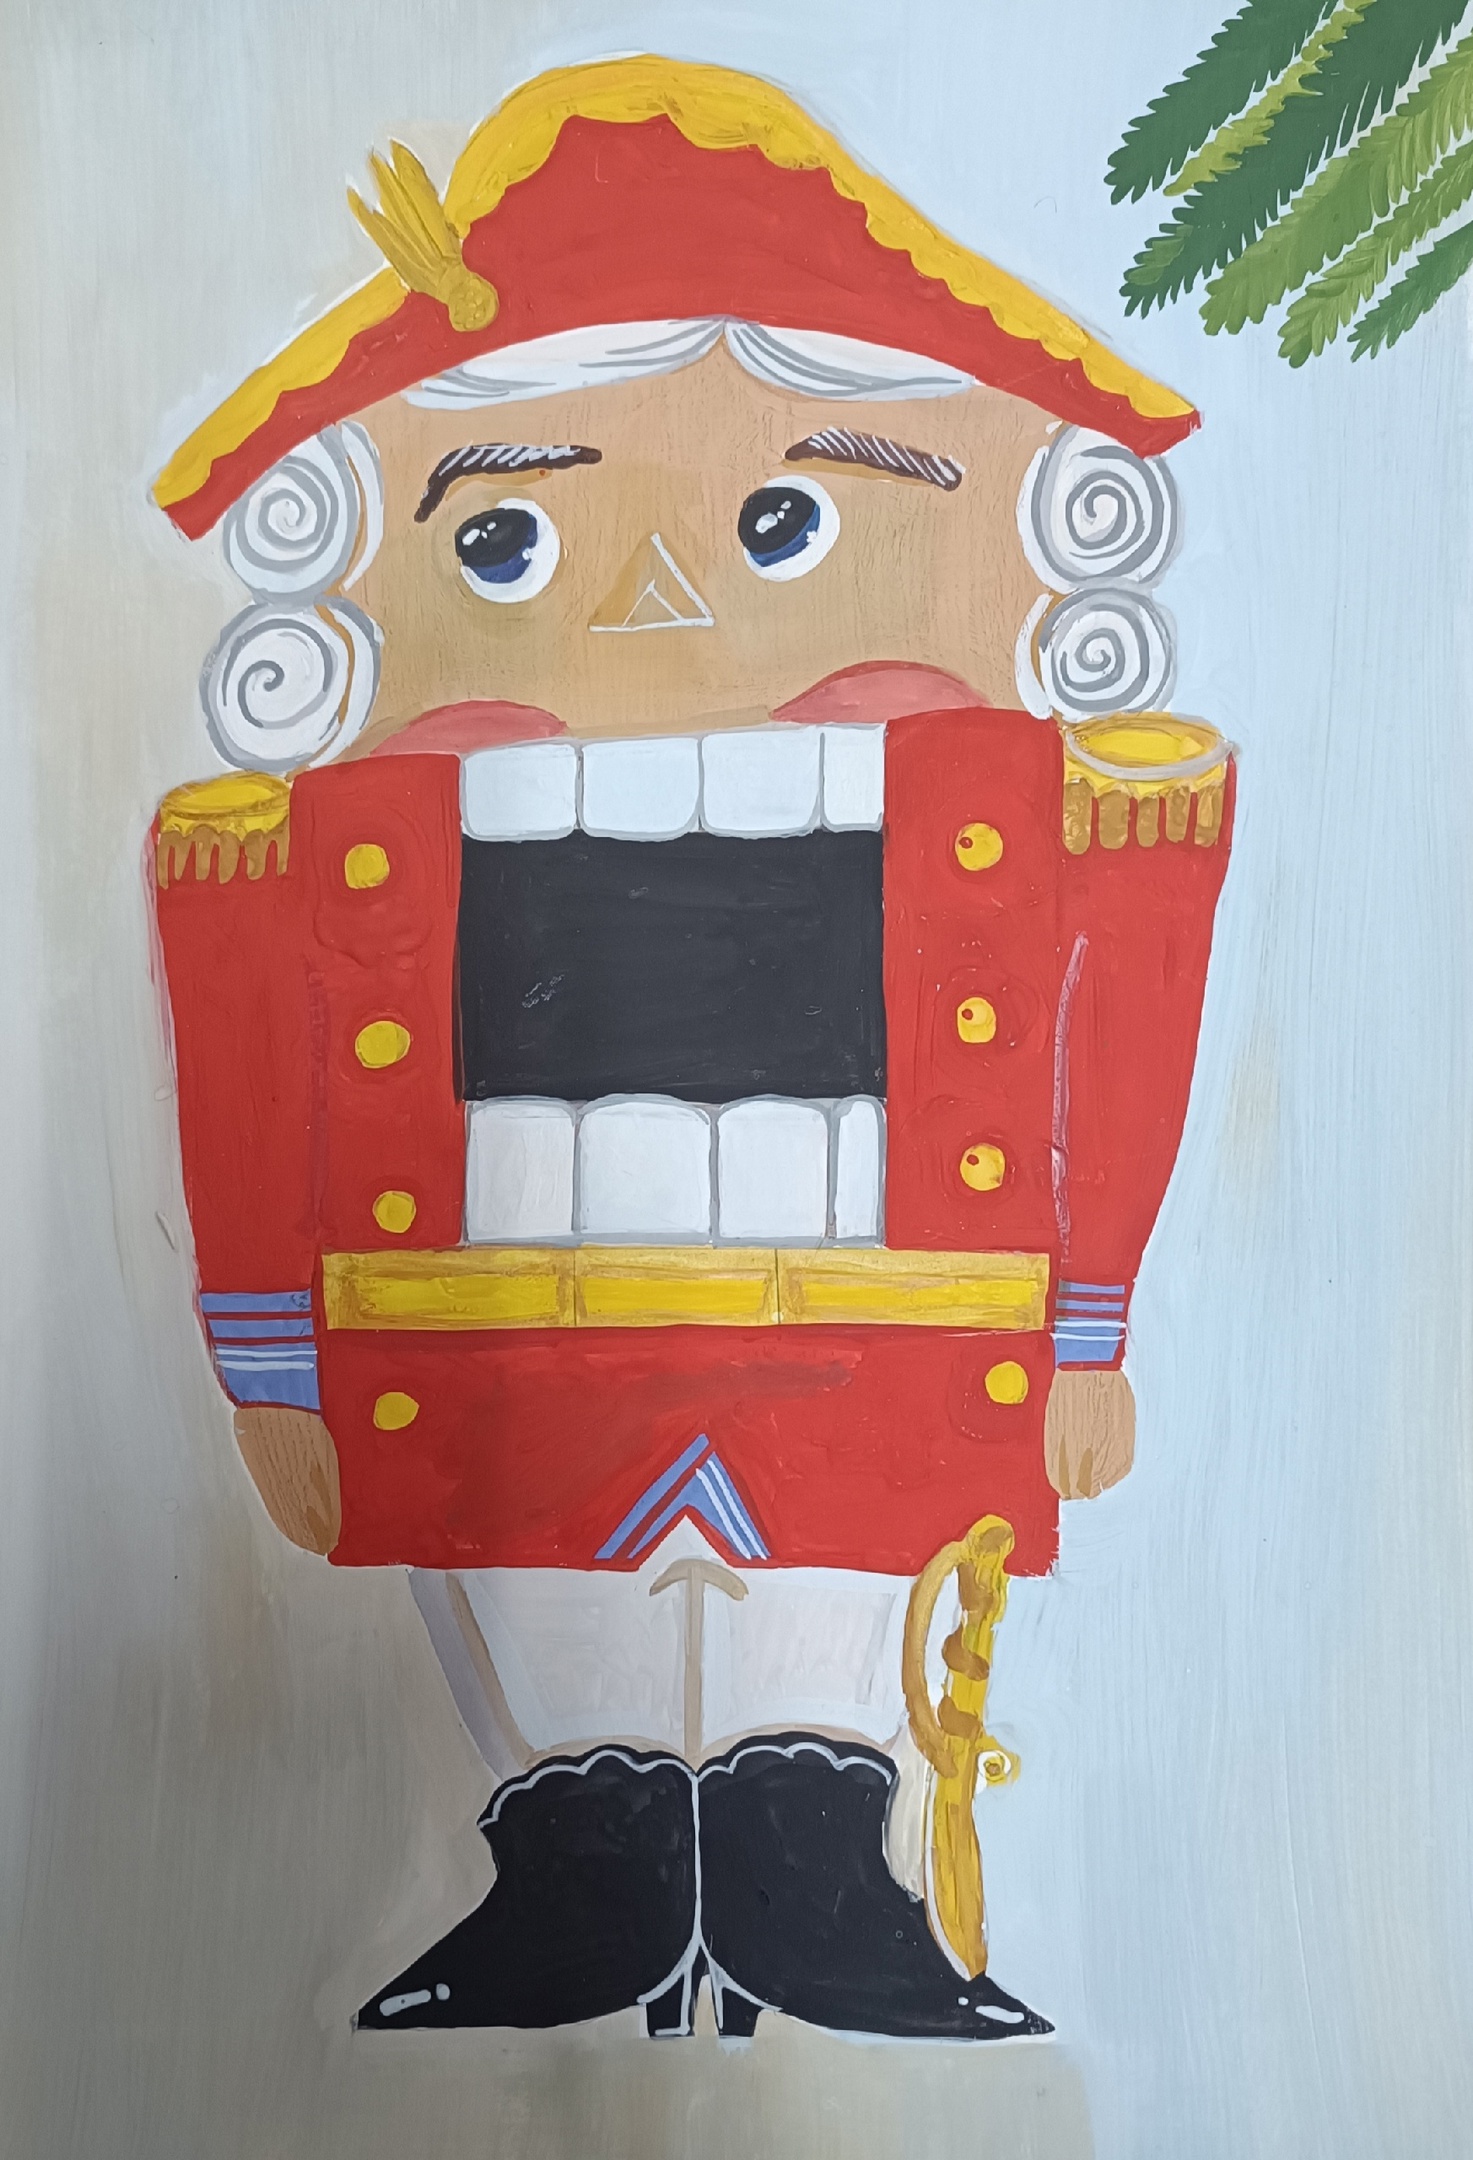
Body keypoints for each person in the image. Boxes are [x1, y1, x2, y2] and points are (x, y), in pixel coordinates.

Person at [150, 55, 1234, 2042]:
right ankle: (578, 1859)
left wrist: (1085, 1325)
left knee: (839, 1582)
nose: (655, 599)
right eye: (503, 541)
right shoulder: (286, 845)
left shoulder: (1071, 807)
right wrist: (270, 1364)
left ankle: (817, 1860)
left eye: (784, 518)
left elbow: (1122, 1023)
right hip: (476, 1311)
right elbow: (247, 1066)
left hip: (892, 1298)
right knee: (538, 1607)